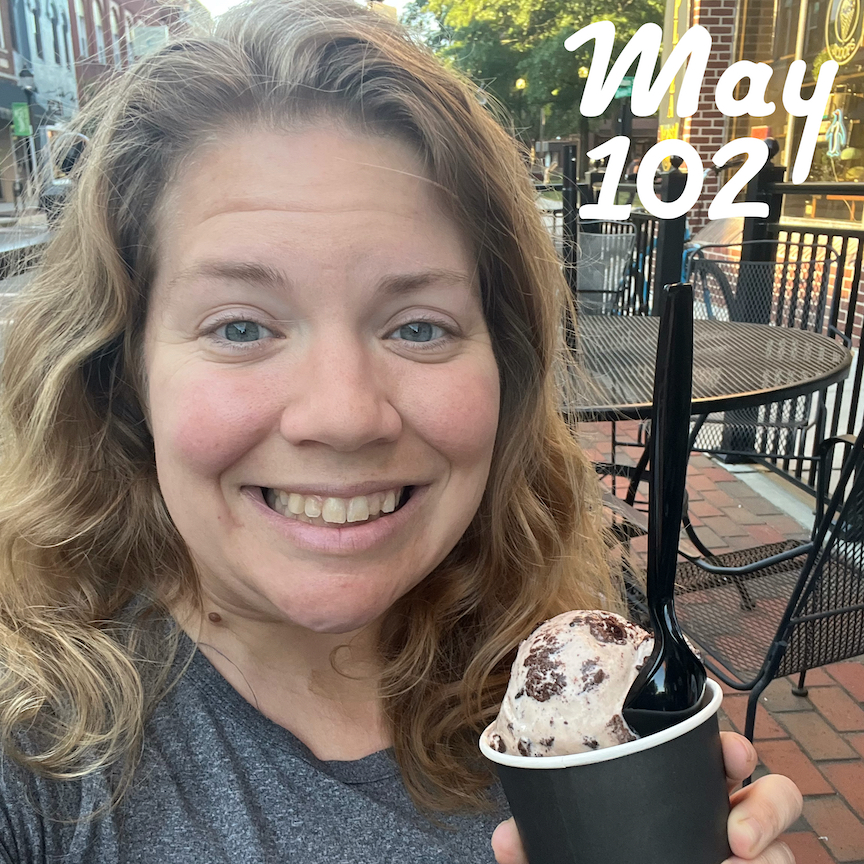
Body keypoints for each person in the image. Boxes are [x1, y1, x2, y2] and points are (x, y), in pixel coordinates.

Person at [0, 1, 802, 861]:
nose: (345, 416)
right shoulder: (35, 754)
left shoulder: (561, 665)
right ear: (121, 375)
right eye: (241, 327)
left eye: (418, 326)